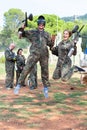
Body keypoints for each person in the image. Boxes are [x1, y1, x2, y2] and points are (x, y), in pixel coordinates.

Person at [14, 15, 54, 98]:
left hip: (44, 55)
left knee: (45, 72)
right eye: (40, 24)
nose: (41, 26)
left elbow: (50, 45)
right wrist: (23, 27)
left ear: (44, 25)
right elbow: (20, 35)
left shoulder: (47, 34)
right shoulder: (32, 32)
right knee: (26, 69)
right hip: (34, 54)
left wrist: (53, 40)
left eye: (42, 24)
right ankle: (18, 85)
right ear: (37, 24)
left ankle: (45, 88)